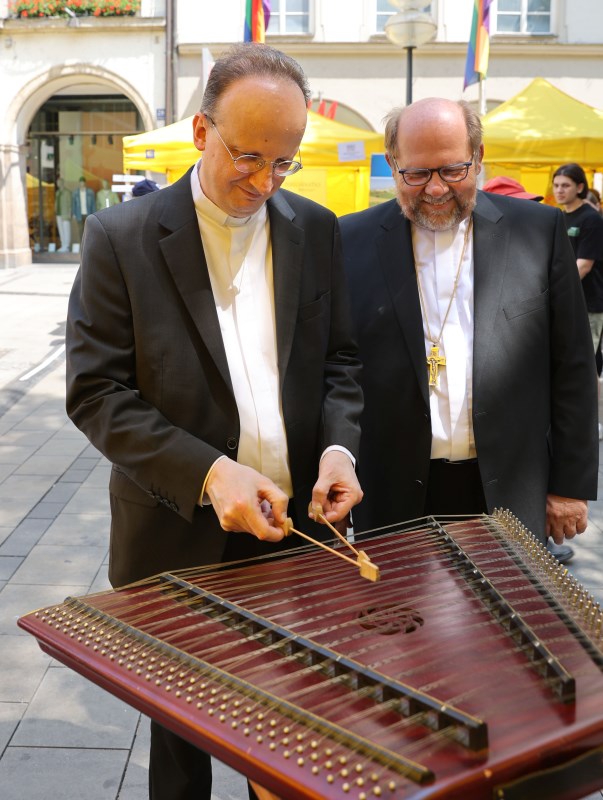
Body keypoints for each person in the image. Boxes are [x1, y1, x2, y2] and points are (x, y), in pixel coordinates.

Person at [65, 43, 363, 800]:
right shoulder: (120, 236)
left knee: (296, 734)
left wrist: (339, 449)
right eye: (248, 156)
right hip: (176, 532)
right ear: (201, 131)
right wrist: (207, 471)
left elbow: (340, 362)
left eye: (284, 163)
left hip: (296, 529)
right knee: (181, 745)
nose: (264, 182)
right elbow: (96, 393)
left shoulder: (316, 228)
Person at [340, 97, 598, 567]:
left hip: (510, 483)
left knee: (509, 611)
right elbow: (339, 367)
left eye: (452, 170)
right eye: (417, 173)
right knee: (400, 612)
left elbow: (572, 364)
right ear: (393, 164)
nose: (436, 188)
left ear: (478, 158)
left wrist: (570, 484)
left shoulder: (538, 230)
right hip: (393, 489)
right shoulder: (348, 239)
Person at [553, 163, 603, 441]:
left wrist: (549, 289)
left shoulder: (591, 219)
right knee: (570, 364)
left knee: (587, 364)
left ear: (580, 187)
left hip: (590, 304)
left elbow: (583, 266)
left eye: (566, 185)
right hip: (564, 303)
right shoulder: (558, 217)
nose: (559, 190)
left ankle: (592, 422)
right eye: (556, 185)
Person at [71, 176, 96, 242]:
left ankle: (88, 243)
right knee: (80, 230)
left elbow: (93, 203)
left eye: (83, 182)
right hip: (79, 214)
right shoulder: (75, 193)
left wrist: (94, 213)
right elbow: (73, 203)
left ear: (85, 183)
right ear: (79, 183)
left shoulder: (90, 192)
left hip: (88, 213)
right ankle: (82, 244)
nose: (82, 184)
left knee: (88, 229)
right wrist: (73, 213)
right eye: (81, 182)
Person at [54, 178, 72, 252]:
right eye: (57, 182)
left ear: (63, 183)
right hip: (59, 213)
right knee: (61, 230)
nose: (58, 184)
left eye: (60, 182)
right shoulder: (57, 192)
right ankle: (63, 245)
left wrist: (70, 213)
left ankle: (67, 246)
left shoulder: (67, 192)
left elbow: (70, 203)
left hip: (65, 213)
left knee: (66, 230)